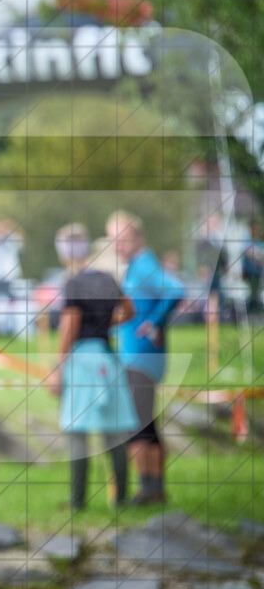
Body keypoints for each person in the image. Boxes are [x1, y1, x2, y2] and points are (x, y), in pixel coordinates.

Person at [46, 223, 138, 509]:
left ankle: (77, 501)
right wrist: (105, 324)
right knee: (114, 431)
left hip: (82, 360)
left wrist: (56, 366)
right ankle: (120, 498)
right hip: (107, 358)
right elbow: (129, 310)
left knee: (77, 430)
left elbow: (70, 326)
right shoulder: (108, 279)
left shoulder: (72, 282)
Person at [107, 210, 184, 505]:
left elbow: (176, 290)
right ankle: (156, 489)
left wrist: (155, 323)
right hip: (140, 357)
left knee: (136, 426)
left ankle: (147, 490)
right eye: (114, 240)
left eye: (124, 239)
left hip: (140, 360)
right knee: (148, 425)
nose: (119, 246)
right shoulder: (135, 266)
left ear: (139, 238)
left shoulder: (143, 265)